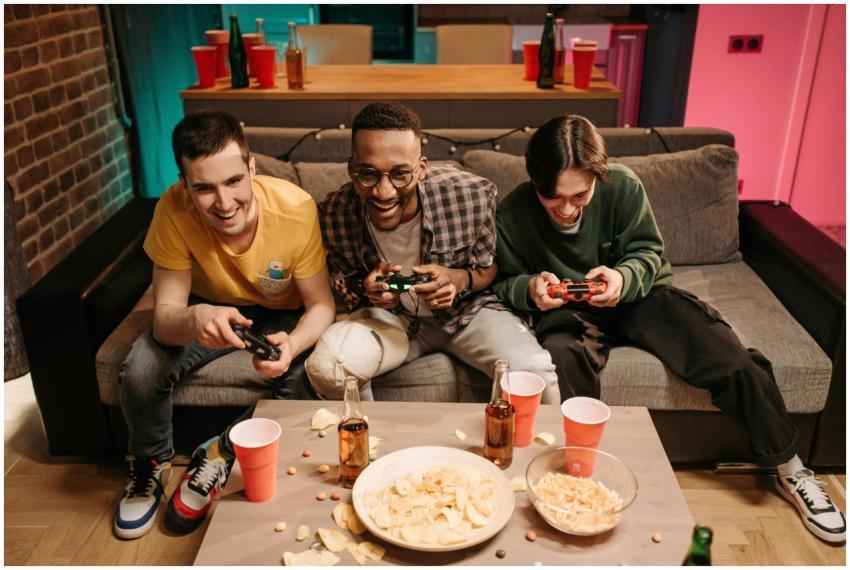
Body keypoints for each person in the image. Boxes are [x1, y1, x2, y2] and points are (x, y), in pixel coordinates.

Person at [492, 114, 845, 543]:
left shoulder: (622, 185)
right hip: (569, 312)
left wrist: (622, 278)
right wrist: (530, 288)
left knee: (728, 356)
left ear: (597, 178)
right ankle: (576, 480)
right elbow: (504, 280)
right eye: (553, 197)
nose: (566, 209)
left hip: (640, 298)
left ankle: (791, 469)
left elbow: (648, 252)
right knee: (562, 357)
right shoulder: (513, 211)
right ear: (534, 182)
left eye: (579, 195)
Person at [114, 110, 335, 539]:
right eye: (204, 188)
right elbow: (164, 319)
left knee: (300, 381)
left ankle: (219, 451)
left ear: (252, 167)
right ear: (184, 185)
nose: (224, 202)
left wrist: (292, 342)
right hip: (205, 306)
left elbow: (322, 307)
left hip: (281, 313)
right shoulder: (172, 210)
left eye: (234, 181)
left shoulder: (295, 209)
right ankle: (151, 464)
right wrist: (196, 318)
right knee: (140, 371)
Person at [305, 101, 559, 404]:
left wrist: (457, 279)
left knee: (535, 375)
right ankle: (366, 445)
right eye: (367, 174)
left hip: (468, 313)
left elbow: (490, 268)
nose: (384, 192)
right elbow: (344, 284)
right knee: (328, 367)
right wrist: (367, 289)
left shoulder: (472, 195)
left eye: (400, 174)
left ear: (422, 168)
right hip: (391, 319)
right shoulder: (335, 211)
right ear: (351, 168)